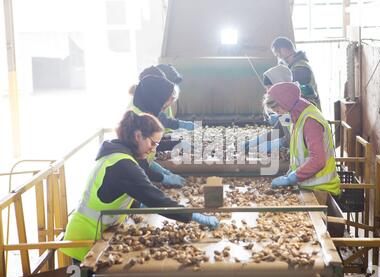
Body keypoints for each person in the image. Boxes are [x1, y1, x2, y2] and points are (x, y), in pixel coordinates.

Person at [60, 111, 219, 262]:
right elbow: (156, 199)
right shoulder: (124, 165)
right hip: (87, 238)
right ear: (138, 136)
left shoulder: (117, 153)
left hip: (97, 230)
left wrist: (137, 204)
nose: (154, 148)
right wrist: (193, 216)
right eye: (153, 142)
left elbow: (114, 192)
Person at [265, 82, 340, 196]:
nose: (279, 115)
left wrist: (292, 178)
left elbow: (318, 160)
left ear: (285, 104)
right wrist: (291, 173)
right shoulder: (298, 117)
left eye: (278, 111)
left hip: (321, 189)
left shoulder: (310, 121)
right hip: (308, 186)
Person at [131, 75, 187, 188]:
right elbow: (138, 164)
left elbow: (145, 157)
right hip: (110, 203)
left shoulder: (147, 114)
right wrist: (163, 178)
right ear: (155, 99)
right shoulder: (138, 120)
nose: (166, 107)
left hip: (127, 193)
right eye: (164, 102)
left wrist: (160, 170)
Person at [243, 65, 293, 154]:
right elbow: (279, 131)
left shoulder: (294, 105)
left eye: (269, 87)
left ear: (279, 85)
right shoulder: (283, 103)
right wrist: (257, 141)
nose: (268, 92)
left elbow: (297, 136)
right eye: (266, 88)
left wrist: (278, 143)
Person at [271, 37, 321, 109]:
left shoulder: (300, 68)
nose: (278, 58)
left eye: (277, 54)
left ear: (283, 50)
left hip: (309, 113)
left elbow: (293, 92)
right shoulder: (295, 66)